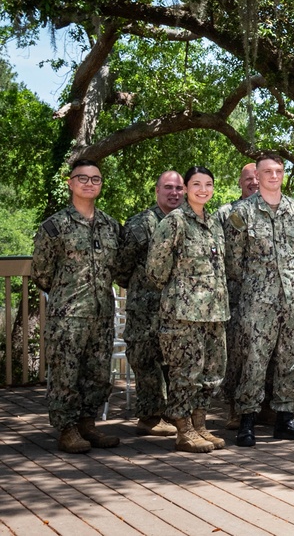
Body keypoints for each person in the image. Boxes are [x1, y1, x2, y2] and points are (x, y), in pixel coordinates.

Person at [32, 159, 124, 453]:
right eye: (82, 178)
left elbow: (116, 267)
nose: (89, 183)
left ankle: (87, 424)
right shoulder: (55, 226)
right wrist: (67, 295)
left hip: (101, 314)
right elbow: (42, 273)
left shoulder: (110, 226)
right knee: (65, 374)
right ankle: (67, 429)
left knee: (97, 373)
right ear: (70, 183)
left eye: (95, 179)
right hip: (68, 315)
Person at [225, 152, 294, 446]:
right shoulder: (243, 213)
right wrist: (257, 283)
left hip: (293, 297)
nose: (273, 176)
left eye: (278, 171)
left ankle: (285, 418)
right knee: (254, 358)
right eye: (267, 172)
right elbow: (233, 261)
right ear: (258, 175)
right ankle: (247, 419)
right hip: (257, 300)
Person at [146, 166, 229, 453]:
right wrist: (182, 290)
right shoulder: (175, 222)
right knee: (185, 374)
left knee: (211, 373)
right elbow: (155, 269)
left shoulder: (215, 222)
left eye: (208, 184)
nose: (203, 190)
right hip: (183, 314)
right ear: (186, 188)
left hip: (215, 313)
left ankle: (199, 425)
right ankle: (183, 431)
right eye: (196, 184)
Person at [118, 170, 184, 438]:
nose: (174, 193)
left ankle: (172, 413)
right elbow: (121, 267)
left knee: (174, 361)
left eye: (179, 188)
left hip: (178, 307)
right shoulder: (140, 224)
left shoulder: (188, 221)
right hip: (145, 308)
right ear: (156, 190)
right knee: (146, 361)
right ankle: (149, 416)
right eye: (168, 187)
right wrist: (141, 289)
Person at [217, 162, 258, 429]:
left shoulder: (275, 212)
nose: (253, 182)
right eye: (248, 179)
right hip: (234, 295)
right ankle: (233, 407)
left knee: (262, 354)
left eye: (258, 177)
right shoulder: (225, 213)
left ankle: (259, 407)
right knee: (236, 355)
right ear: (240, 182)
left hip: (266, 298)